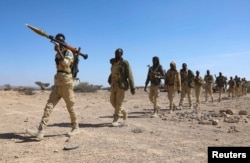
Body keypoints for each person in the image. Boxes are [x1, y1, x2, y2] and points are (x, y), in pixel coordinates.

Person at [26, 33, 80, 140]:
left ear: (63, 42)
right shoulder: (56, 54)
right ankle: (40, 131)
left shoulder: (69, 52)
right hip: (57, 83)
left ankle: (76, 127)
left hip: (66, 83)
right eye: (56, 41)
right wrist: (58, 52)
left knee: (71, 107)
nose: (57, 43)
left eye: (59, 41)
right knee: (48, 107)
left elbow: (65, 63)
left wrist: (59, 51)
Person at [109, 48, 135, 127]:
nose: (117, 54)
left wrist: (132, 87)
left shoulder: (124, 63)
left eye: (119, 53)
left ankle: (116, 119)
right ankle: (124, 111)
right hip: (113, 85)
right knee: (112, 101)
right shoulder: (113, 62)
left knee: (118, 103)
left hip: (121, 85)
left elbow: (130, 75)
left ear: (122, 54)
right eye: (116, 53)